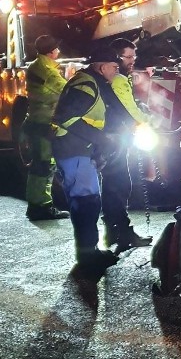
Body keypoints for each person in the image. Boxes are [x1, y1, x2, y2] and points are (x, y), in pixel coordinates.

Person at [51, 46, 124, 274]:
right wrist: (101, 139)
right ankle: (87, 257)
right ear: (102, 67)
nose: (116, 72)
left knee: (87, 201)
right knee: (86, 202)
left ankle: (89, 252)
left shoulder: (91, 82)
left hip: (77, 150)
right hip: (74, 151)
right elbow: (65, 117)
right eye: (114, 67)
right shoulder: (86, 85)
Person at [99, 38, 153, 252]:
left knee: (113, 183)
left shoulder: (112, 78)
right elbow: (128, 109)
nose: (132, 60)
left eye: (134, 56)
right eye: (128, 57)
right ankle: (122, 232)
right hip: (116, 138)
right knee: (120, 184)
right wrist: (148, 120)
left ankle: (114, 230)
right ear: (116, 57)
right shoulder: (119, 79)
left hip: (110, 137)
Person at [23, 35, 70, 221]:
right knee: (44, 165)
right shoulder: (46, 70)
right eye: (57, 48)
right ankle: (41, 206)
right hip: (43, 122)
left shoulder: (39, 66)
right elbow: (65, 89)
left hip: (37, 121)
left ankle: (37, 205)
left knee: (41, 165)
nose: (59, 51)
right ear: (51, 51)